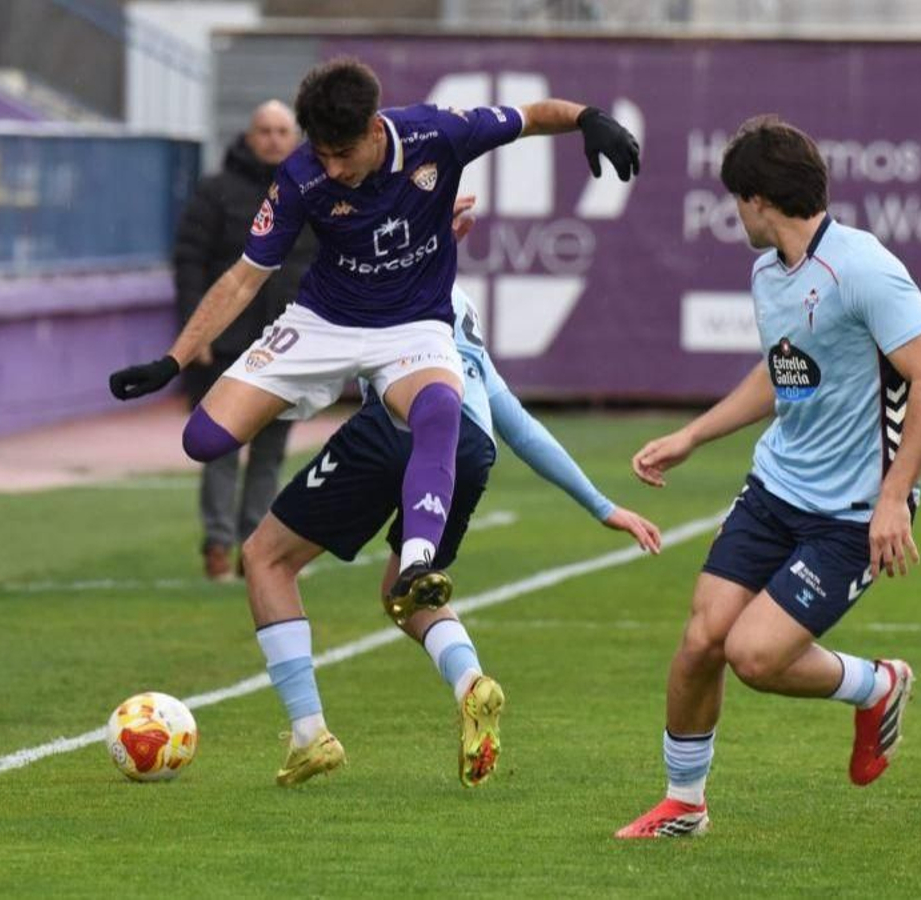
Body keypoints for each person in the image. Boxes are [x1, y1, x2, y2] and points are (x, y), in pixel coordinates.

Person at [111, 57, 639, 650]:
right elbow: (242, 278)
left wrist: (589, 119)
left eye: (342, 153)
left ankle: (417, 562)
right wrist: (174, 359)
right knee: (202, 440)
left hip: (412, 325)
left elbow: (534, 115)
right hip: (325, 322)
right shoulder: (301, 175)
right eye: (323, 154)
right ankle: (304, 411)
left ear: (372, 129)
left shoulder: (435, 133)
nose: (332, 168)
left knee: (441, 405)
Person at [239, 197, 662, 787]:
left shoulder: (377, 287)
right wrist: (602, 504)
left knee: (265, 557)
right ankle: (472, 684)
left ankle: (310, 735)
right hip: (471, 446)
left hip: (400, 425)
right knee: (402, 590)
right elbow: (515, 421)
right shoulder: (457, 306)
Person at [615, 116, 921, 838]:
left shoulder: (862, 268)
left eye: (736, 201)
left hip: (852, 513)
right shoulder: (769, 272)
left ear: (759, 200)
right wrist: (692, 436)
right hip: (776, 489)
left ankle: (878, 683)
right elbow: (785, 374)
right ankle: (685, 804)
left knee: (754, 656)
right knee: (702, 641)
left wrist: (895, 498)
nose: (734, 215)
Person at [172, 99, 317, 581]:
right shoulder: (216, 192)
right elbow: (190, 259)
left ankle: (253, 544)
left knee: (271, 452)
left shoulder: (314, 189)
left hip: (290, 343)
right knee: (220, 446)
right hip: (230, 341)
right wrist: (197, 329)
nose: (274, 139)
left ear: (295, 138)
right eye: (265, 131)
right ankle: (216, 544)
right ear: (249, 136)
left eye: (283, 131)